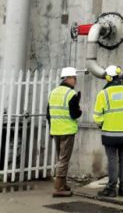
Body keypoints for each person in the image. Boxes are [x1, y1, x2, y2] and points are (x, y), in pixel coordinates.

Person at [94, 65, 123, 198]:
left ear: (108, 77)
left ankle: (111, 188)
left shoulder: (104, 93)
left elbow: (97, 115)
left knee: (112, 160)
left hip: (109, 133)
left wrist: (102, 123)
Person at [46, 67, 82, 197]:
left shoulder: (53, 92)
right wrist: (79, 107)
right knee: (64, 159)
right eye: (74, 78)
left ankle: (63, 184)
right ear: (68, 78)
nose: (75, 81)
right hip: (67, 130)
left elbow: (48, 114)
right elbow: (75, 114)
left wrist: (51, 129)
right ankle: (58, 187)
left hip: (55, 130)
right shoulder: (71, 94)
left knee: (60, 158)